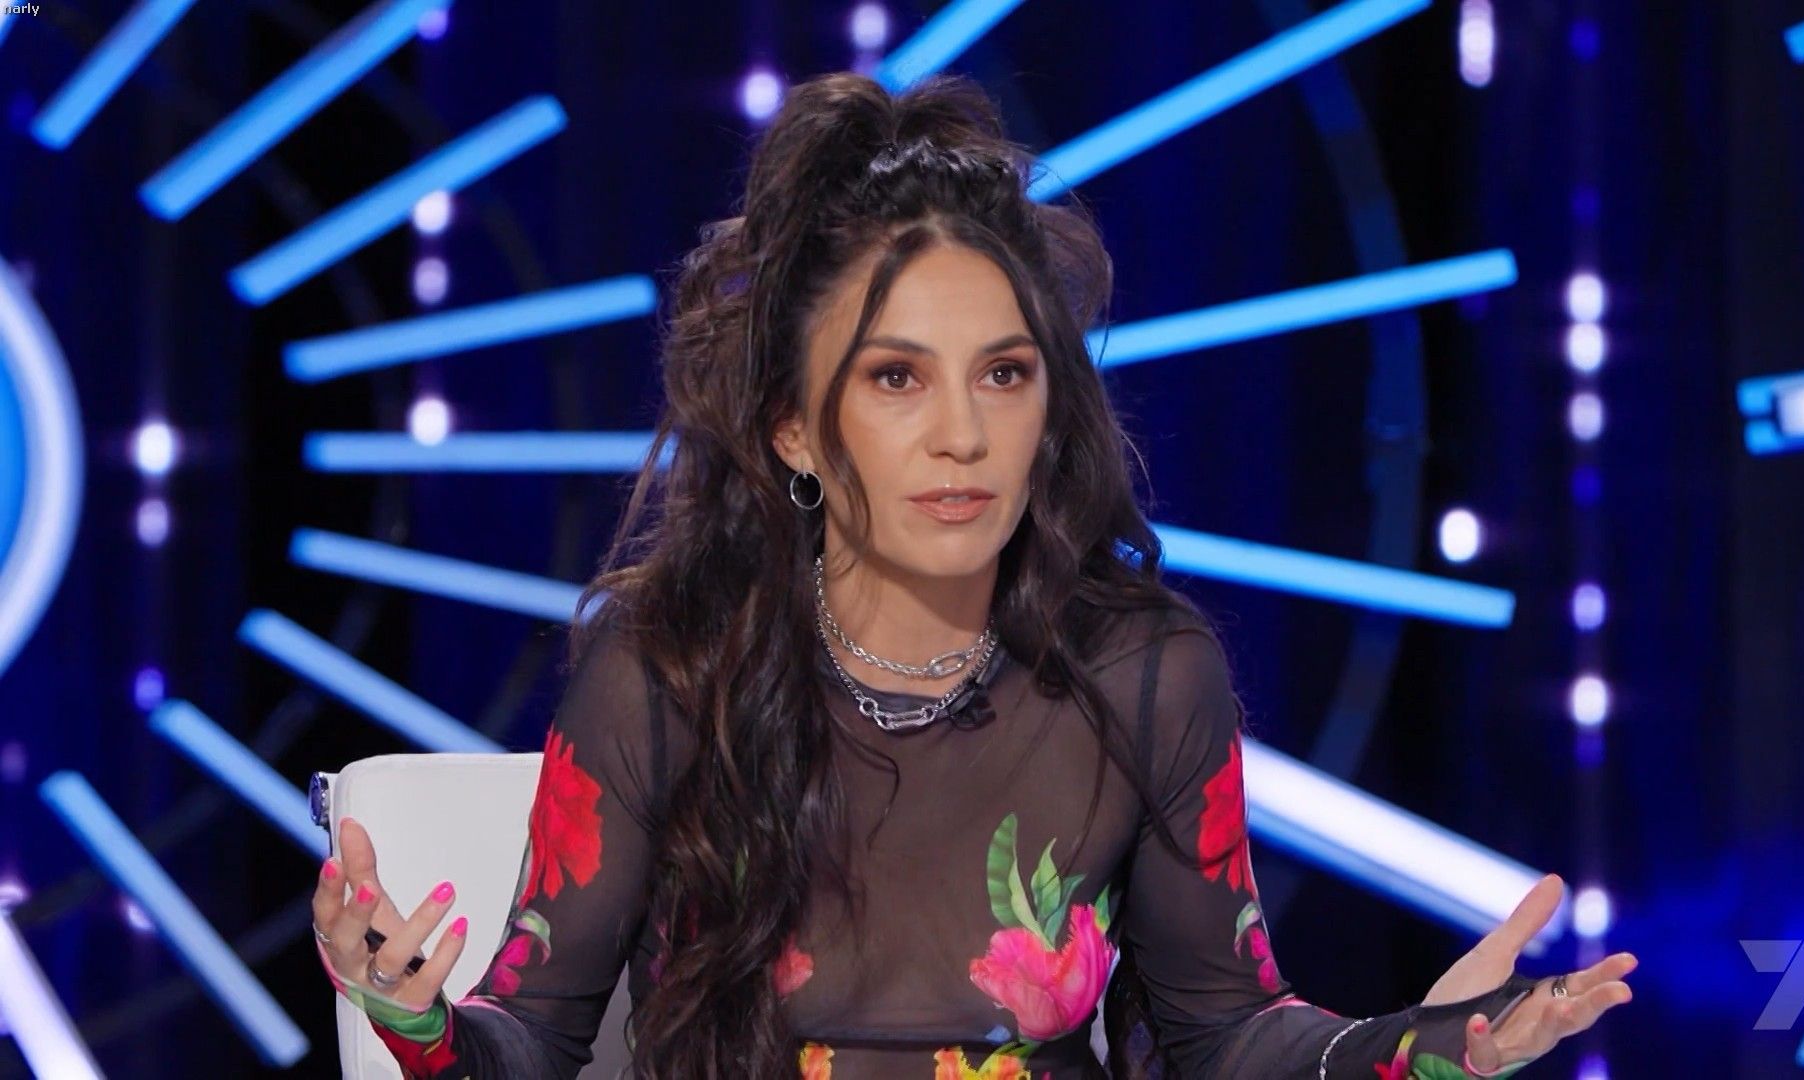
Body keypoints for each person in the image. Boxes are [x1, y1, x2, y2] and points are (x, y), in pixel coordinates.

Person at [309, 70, 1635, 1079]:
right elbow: (531, 1043)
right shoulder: (666, 670)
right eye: (897, 379)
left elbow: (1227, 1036)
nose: (963, 434)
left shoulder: (1143, 675)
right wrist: (414, 1017)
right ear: (794, 428)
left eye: (1004, 374)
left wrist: (1425, 1050)